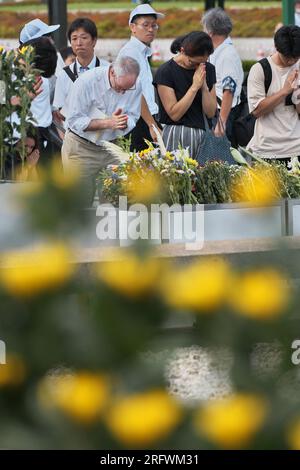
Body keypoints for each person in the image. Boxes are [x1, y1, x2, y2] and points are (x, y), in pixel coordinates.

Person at [62, 56, 142, 205]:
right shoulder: (86, 82)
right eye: (120, 88)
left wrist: (124, 122)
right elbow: (74, 121)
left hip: (112, 146)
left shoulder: (136, 84)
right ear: (112, 72)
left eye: (128, 88)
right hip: (81, 147)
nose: (124, 93)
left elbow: (134, 115)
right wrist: (107, 123)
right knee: (79, 202)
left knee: (116, 201)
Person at [153, 31, 217, 159]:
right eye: (193, 63)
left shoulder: (208, 69)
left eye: (202, 62)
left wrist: (203, 86)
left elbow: (210, 112)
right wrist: (194, 87)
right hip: (176, 135)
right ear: (182, 51)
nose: (197, 67)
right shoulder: (166, 71)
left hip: (203, 135)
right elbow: (174, 114)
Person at [247, 25, 300, 163]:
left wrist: (297, 97)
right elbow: (256, 112)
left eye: (296, 57)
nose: (292, 61)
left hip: (297, 148)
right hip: (267, 150)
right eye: (288, 57)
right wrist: (284, 91)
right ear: (276, 48)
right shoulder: (260, 70)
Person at [117, 4, 165, 151]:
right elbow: (134, 91)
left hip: (145, 118)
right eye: (145, 25)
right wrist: (151, 124)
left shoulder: (141, 52)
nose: (151, 29)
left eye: (154, 25)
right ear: (133, 27)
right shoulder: (130, 52)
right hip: (138, 121)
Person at [53, 18, 109, 127]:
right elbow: (60, 110)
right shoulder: (64, 75)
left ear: (94, 41)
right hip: (73, 136)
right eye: (74, 38)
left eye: (84, 38)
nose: (79, 43)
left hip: (104, 133)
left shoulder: (107, 70)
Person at [201, 7, 243, 145]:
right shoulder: (220, 51)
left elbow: (228, 89)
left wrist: (222, 123)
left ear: (210, 32)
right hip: (219, 112)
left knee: (221, 160)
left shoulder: (227, 55)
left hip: (223, 114)